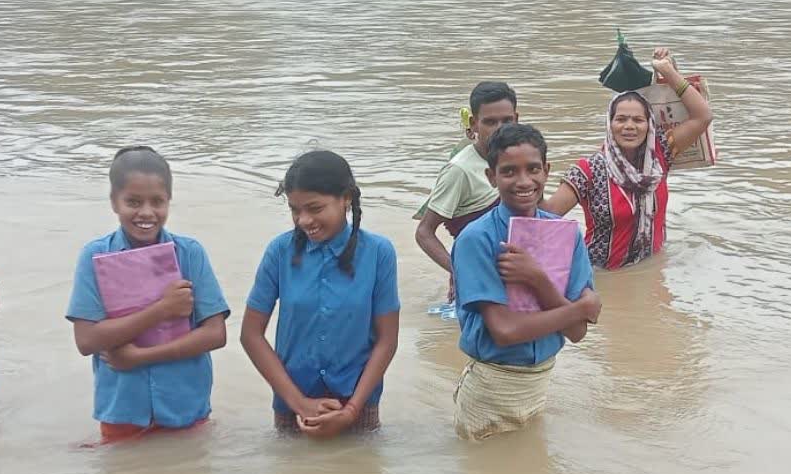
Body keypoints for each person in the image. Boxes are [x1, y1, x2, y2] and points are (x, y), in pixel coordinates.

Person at [66, 146, 230, 442]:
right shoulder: (94, 256)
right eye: (133, 202)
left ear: (169, 200)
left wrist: (141, 357)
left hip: (186, 406)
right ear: (114, 202)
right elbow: (86, 340)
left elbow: (216, 334)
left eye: (157, 201)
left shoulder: (190, 253)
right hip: (122, 409)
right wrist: (162, 309)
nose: (146, 212)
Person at [450, 124, 601, 440]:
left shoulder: (566, 234)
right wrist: (581, 307)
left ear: (546, 171)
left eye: (533, 169)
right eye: (509, 172)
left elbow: (577, 332)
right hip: (491, 386)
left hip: (540, 383)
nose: (523, 181)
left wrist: (538, 280)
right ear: (491, 177)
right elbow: (505, 332)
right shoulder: (476, 240)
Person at [242, 150, 400, 438]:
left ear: (347, 199)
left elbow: (387, 340)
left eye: (315, 208)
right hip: (293, 410)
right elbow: (251, 335)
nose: (303, 220)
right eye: (294, 209)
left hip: (358, 407)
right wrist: (299, 403)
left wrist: (352, 410)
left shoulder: (379, 253)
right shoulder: (279, 252)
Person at [541, 47, 713, 269]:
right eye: (621, 119)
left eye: (638, 120)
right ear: (609, 124)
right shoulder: (589, 170)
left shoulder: (660, 155)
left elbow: (703, 115)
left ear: (649, 125)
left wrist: (667, 72)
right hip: (601, 273)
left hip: (652, 268)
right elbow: (547, 215)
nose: (629, 126)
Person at [415, 81, 518, 300]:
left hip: (515, 270)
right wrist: (458, 270)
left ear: (516, 119)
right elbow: (424, 232)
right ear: (474, 123)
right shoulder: (459, 170)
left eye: (507, 121)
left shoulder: (520, 159)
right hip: (478, 276)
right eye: (490, 122)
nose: (500, 129)